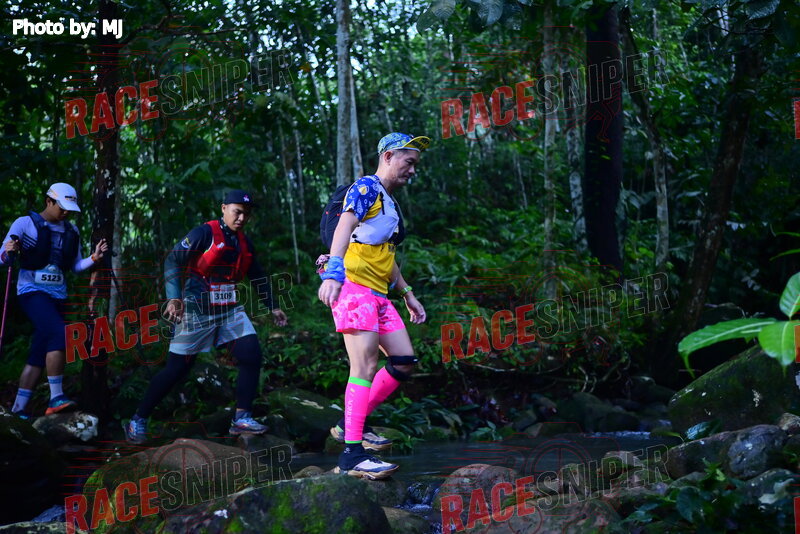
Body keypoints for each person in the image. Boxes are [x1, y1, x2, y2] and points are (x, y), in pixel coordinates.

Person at [125, 190, 288, 443]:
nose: (242, 218)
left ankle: (242, 418)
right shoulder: (204, 233)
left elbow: (257, 275)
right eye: (237, 212)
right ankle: (138, 419)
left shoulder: (244, 243)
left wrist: (273, 306)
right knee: (177, 369)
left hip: (229, 310)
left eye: (246, 214)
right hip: (196, 309)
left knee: (251, 354)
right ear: (223, 208)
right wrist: (174, 298)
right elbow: (173, 260)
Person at [318, 132, 430, 479]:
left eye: (416, 164)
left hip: (379, 293)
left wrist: (407, 293)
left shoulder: (389, 202)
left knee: (404, 361)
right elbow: (345, 224)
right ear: (388, 156)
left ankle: (349, 423)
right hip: (354, 287)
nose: (413, 170)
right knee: (364, 366)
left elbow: (384, 253)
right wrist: (333, 272)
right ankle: (352, 456)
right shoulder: (366, 187)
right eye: (408, 162)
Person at [1, 183, 108, 419]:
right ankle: (56, 397)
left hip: (58, 295)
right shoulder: (25, 224)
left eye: (70, 209)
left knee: (39, 352)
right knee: (60, 334)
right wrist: (9, 250)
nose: (66, 212)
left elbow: (76, 266)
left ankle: (18, 410)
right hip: (32, 291)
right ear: (49, 201)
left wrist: (94, 258)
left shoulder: (71, 230)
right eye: (62, 207)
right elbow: (3, 257)